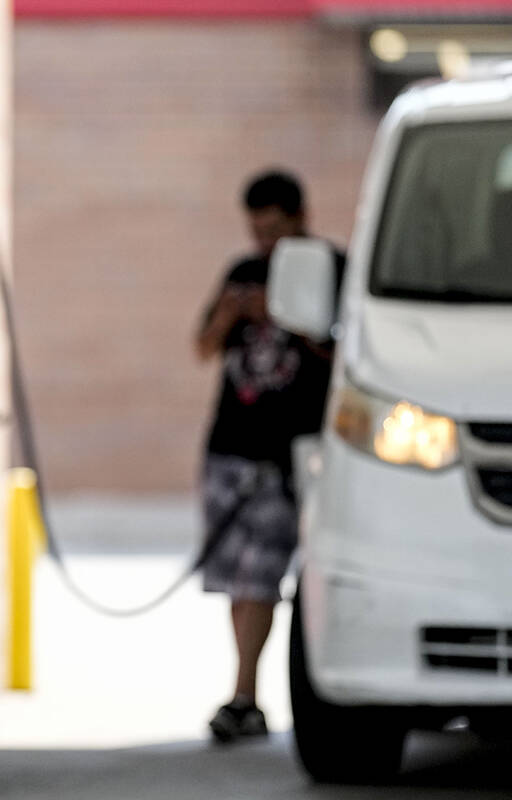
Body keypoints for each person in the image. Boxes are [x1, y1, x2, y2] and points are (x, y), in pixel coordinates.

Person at [194, 170, 343, 743]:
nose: (264, 243)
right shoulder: (241, 272)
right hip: (230, 446)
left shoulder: (331, 267)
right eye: (255, 230)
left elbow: (348, 354)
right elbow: (202, 347)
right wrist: (234, 314)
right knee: (235, 579)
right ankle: (245, 692)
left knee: (262, 577)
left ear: (300, 217)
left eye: (274, 229)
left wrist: (290, 316)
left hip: (291, 456)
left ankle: (243, 693)